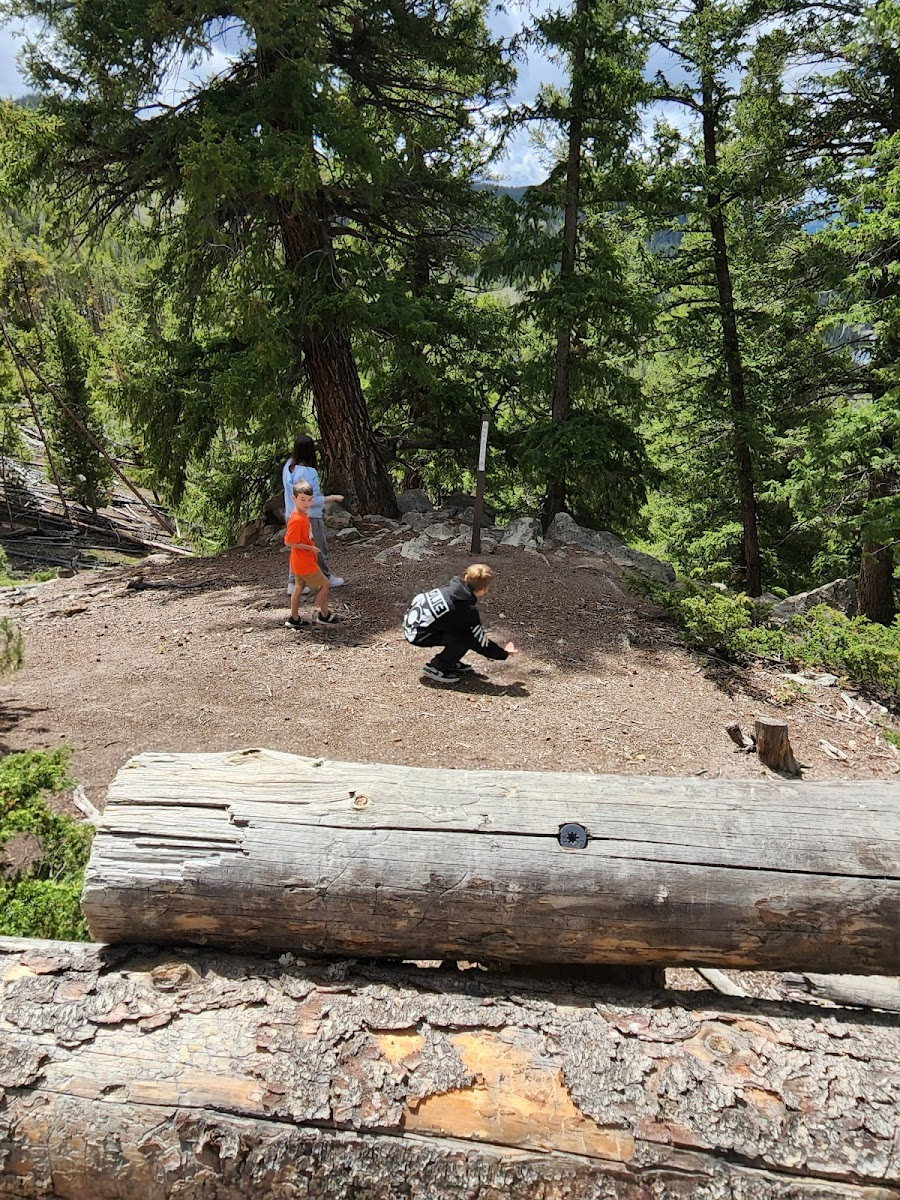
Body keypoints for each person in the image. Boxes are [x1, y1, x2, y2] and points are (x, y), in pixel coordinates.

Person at [403, 563, 517, 684]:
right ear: (484, 589)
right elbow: (479, 640)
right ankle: (436, 667)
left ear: (466, 577)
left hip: (412, 624)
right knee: (465, 637)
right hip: (417, 634)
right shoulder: (464, 609)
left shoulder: (451, 587)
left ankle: (450, 661)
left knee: (460, 630)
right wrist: (503, 653)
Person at [282, 436, 345, 594]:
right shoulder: (309, 472)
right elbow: (312, 499)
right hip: (310, 516)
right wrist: (331, 498)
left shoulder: (288, 467)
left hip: (292, 514)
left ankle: (293, 583)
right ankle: (325, 576)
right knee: (319, 547)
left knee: (298, 549)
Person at [284, 482, 340, 629]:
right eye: (302, 500)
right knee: (325, 584)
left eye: (309, 500)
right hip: (304, 562)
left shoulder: (302, 515)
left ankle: (294, 618)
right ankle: (324, 614)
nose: (306, 503)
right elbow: (289, 541)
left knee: (298, 587)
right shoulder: (297, 519)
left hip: (299, 562)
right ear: (294, 499)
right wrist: (310, 548)